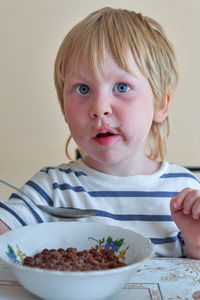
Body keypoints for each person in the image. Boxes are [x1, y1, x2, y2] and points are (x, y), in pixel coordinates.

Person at [0, 7, 200, 258]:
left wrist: (195, 241)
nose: (99, 109)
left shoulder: (184, 190)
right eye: (83, 89)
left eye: (122, 86)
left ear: (161, 104)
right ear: (64, 108)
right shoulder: (52, 188)